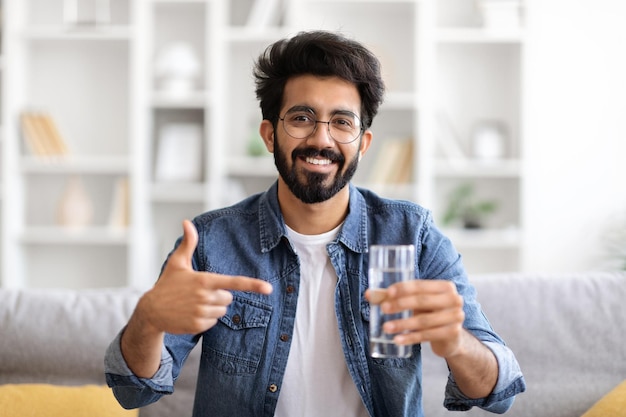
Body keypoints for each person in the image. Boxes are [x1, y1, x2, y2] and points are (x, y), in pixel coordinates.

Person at [105, 30, 525, 416]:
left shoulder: (413, 236)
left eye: (342, 122)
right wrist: (148, 319)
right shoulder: (211, 243)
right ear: (270, 135)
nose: (321, 139)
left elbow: (499, 390)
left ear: (364, 143)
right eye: (302, 118)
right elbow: (133, 390)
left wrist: (456, 343)